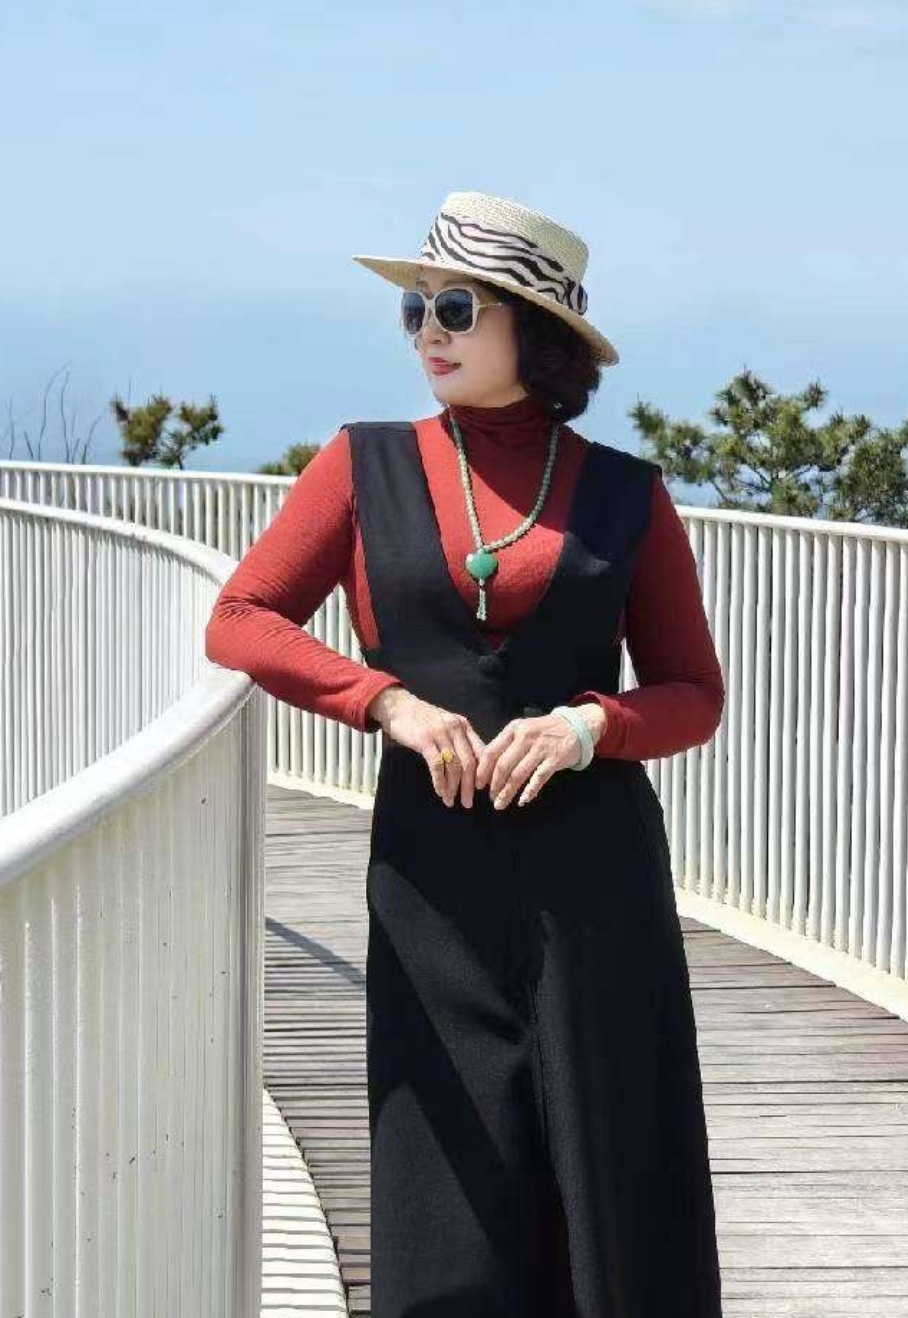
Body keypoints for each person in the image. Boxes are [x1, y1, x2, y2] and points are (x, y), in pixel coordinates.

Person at [205, 189, 726, 1317]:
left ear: (533, 333)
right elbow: (241, 619)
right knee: (445, 1167)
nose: (425, 332)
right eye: (415, 309)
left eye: (454, 308)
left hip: (595, 882)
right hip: (431, 876)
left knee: (609, 1164)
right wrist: (384, 701)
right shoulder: (364, 464)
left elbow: (695, 694)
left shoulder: (628, 494)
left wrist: (591, 725)